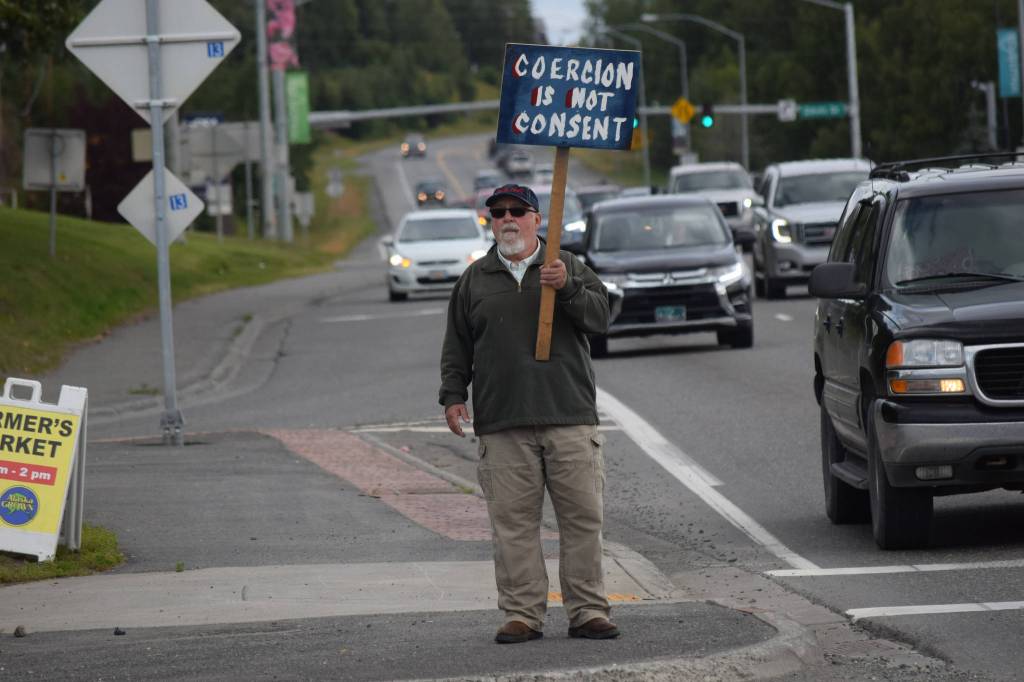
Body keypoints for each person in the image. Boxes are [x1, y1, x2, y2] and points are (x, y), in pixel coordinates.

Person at [439, 183, 618, 644]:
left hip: (569, 416)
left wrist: (569, 287)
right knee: (514, 526)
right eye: (498, 213)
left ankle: (587, 611)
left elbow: (602, 318)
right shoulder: (475, 279)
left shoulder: (566, 266)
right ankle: (523, 614)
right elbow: (457, 345)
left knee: (582, 520)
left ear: (538, 219)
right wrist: (453, 395)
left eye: (517, 211)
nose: (507, 219)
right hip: (502, 422)